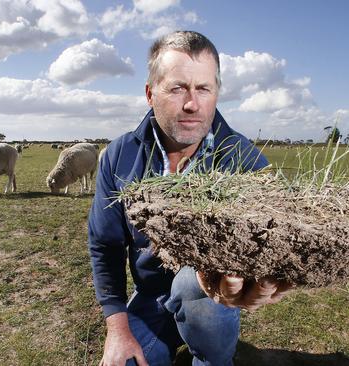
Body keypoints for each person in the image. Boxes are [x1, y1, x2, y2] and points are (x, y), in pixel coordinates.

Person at [88, 31, 293, 366]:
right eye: (177, 88)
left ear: (216, 93)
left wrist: (267, 279)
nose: (191, 104)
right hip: (152, 297)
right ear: (150, 93)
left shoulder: (244, 161)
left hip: (212, 298)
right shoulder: (119, 156)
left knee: (189, 283)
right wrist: (117, 328)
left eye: (203, 88)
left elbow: (277, 238)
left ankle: (212, 358)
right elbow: (104, 244)